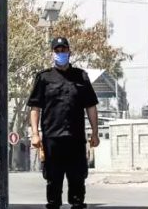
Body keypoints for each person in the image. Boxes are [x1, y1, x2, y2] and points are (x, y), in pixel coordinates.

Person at [27, 37, 100, 209]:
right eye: (57, 50)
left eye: (64, 50)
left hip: (76, 138)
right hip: (52, 139)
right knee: (53, 181)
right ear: (52, 53)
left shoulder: (81, 76)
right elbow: (35, 108)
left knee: (77, 181)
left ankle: (77, 203)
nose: (61, 53)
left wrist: (95, 133)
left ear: (69, 52)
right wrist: (35, 134)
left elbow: (91, 106)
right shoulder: (44, 77)